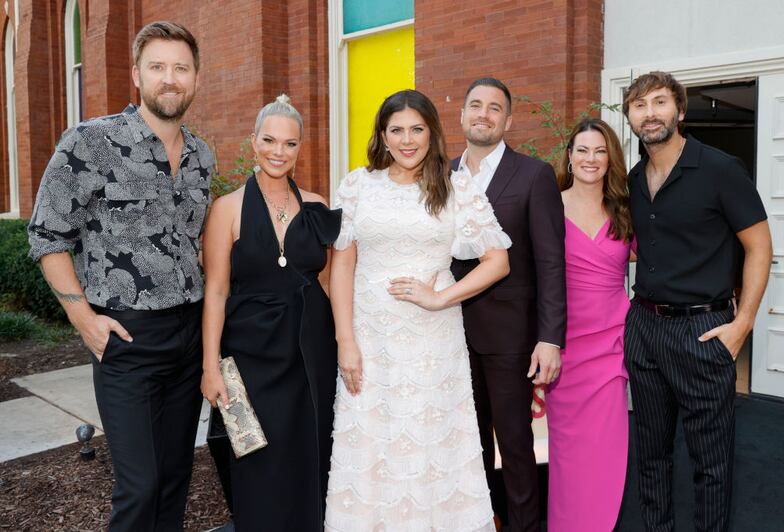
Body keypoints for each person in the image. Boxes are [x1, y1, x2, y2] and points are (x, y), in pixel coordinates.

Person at [27, 21, 212, 530]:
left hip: (189, 334)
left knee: (175, 477)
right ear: (136, 74)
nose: (170, 78)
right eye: (158, 67)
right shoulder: (90, 142)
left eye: (181, 68)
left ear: (196, 78)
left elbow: (193, 243)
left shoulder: (201, 156)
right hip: (127, 338)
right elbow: (46, 235)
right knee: (140, 486)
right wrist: (83, 318)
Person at [324, 89, 510, 532]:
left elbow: (498, 261)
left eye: (417, 129)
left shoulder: (455, 186)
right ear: (382, 136)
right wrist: (345, 341)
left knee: (431, 445)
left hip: (433, 345)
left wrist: (441, 298)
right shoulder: (357, 186)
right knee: (373, 446)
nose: (407, 140)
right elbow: (341, 266)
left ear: (432, 133)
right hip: (370, 341)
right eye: (397, 130)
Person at [623, 71, 772, 531]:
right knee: (651, 452)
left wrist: (743, 323)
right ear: (629, 117)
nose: (650, 113)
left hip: (702, 331)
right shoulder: (633, 178)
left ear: (680, 111)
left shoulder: (720, 169)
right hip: (644, 327)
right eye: (639, 105)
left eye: (660, 102)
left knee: (711, 461)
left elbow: (759, 247)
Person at [200, 94, 341, 531]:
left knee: (312, 453)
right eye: (269, 140)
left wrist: (348, 344)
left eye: (290, 143)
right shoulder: (226, 209)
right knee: (257, 458)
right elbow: (216, 290)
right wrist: (210, 366)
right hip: (251, 355)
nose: (279, 151)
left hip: (312, 352)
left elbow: (332, 283)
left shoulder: (316, 206)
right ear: (253, 141)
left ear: (300, 147)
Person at [451, 77, 566, 532]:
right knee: (467, 444)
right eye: (476, 105)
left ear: (508, 120)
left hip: (512, 338)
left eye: (494, 108)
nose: (483, 114)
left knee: (516, 448)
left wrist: (550, 338)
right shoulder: (441, 173)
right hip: (449, 333)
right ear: (461, 115)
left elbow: (551, 262)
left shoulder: (534, 175)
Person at [546, 118, 633, 531]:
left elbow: (660, 258)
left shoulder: (625, 211)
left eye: (600, 151)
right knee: (567, 455)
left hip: (612, 347)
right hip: (563, 348)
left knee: (606, 451)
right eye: (582, 150)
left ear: (610, 159)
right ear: (569, 156)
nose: (590, 159)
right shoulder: (548, 205)